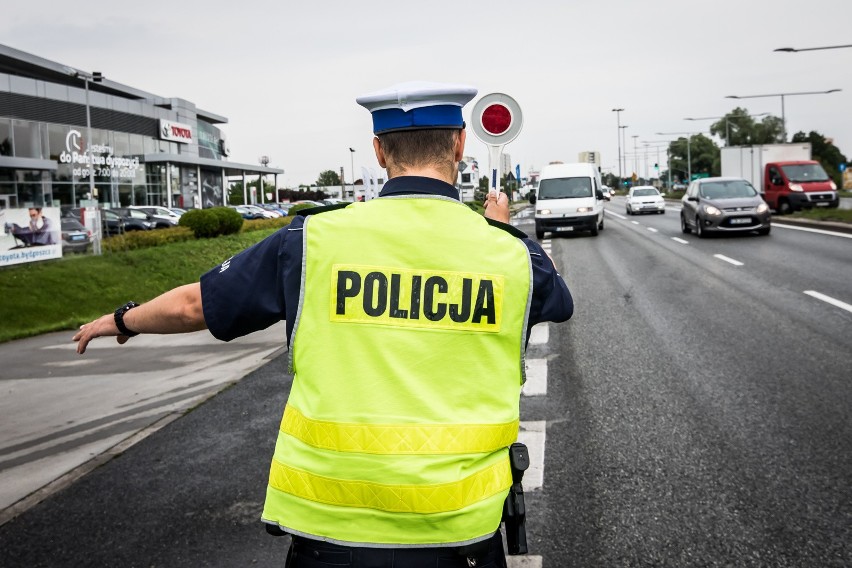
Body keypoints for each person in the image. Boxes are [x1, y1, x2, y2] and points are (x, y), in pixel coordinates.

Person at [73, 81, 574, 567]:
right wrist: (504, 233)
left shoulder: (311, 240)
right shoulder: (512, 256)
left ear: (379, 152)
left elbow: (193, 306)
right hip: (461, 533)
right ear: (460, 144)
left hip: (331, 536)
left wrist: (123, 319)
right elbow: (556, 301)